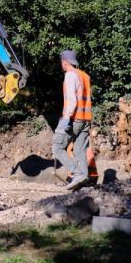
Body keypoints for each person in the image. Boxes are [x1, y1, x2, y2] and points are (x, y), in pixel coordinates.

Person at [52, 49, 92, 188]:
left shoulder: (70, 75)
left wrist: (65, 119)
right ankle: (84, 180)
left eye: (62, 61)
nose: (61, 64)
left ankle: (77, 173)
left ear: (65, 62)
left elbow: (72, 101)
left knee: (57, 147)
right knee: (80, 149)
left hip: (73, 118)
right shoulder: (84, 76)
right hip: (86, 119)